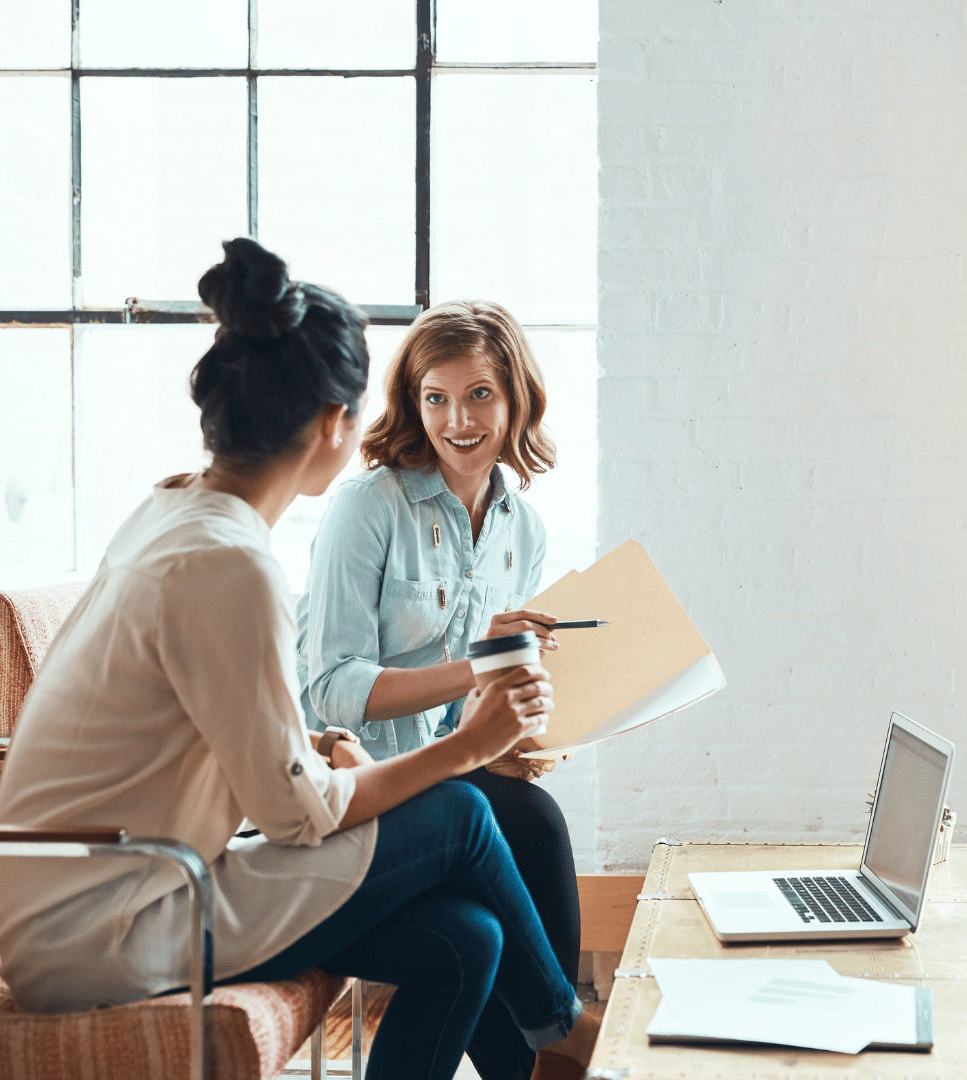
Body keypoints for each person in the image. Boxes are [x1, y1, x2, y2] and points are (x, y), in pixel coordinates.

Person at [0, 239, 595, 1080]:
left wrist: (315, 749)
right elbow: (294, 818)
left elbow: (210, 732)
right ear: (330, 426)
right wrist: (466, 745)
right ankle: (563, 1032)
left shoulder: (176, 512)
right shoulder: (232, 562)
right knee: (463, 812)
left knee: (466, 939)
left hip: (104, 899)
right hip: (120, 923)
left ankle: (551, 1032)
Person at [297, 300, 583, 1079]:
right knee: (533, 826)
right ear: (413, 403)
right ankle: (560, 1043)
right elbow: (331, 691)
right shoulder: (368, 506)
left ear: (515, 396)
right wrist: (484, 667)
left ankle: (546, 1053)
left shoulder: (522, 529)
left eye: (480, 395)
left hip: (449, 779)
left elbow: (465, 713)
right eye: (436, 398)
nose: (458, 420)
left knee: (499, 870)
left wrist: (517, 729)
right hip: (354, 785)